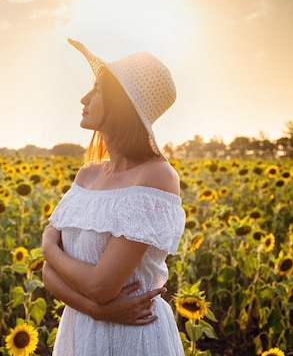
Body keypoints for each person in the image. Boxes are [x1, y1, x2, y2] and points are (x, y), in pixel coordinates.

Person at [41, 38, 186, 355]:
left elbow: (101, 286)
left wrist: (48, 246)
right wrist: (94, 310)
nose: (84, 97)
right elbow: (47, 273)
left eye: (97, 90)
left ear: (121, 104)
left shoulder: (155, 176)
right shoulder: (88, 174)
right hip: (81, 330)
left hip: (133, 335)